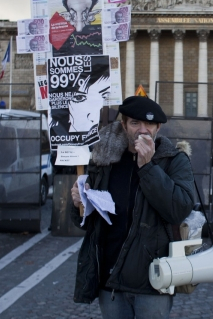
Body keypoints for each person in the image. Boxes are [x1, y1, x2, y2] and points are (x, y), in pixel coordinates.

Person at [70, 96, 195, 318]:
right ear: (124, 125)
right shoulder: (105, 161)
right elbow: (89, 222)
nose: (142, 130)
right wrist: (79, 204)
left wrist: (147, 167)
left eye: (149, 124)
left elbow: (178, 209)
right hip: (111, 280)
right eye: (135, 123)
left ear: (158, 128)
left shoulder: (174, 161)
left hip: (153, 282)